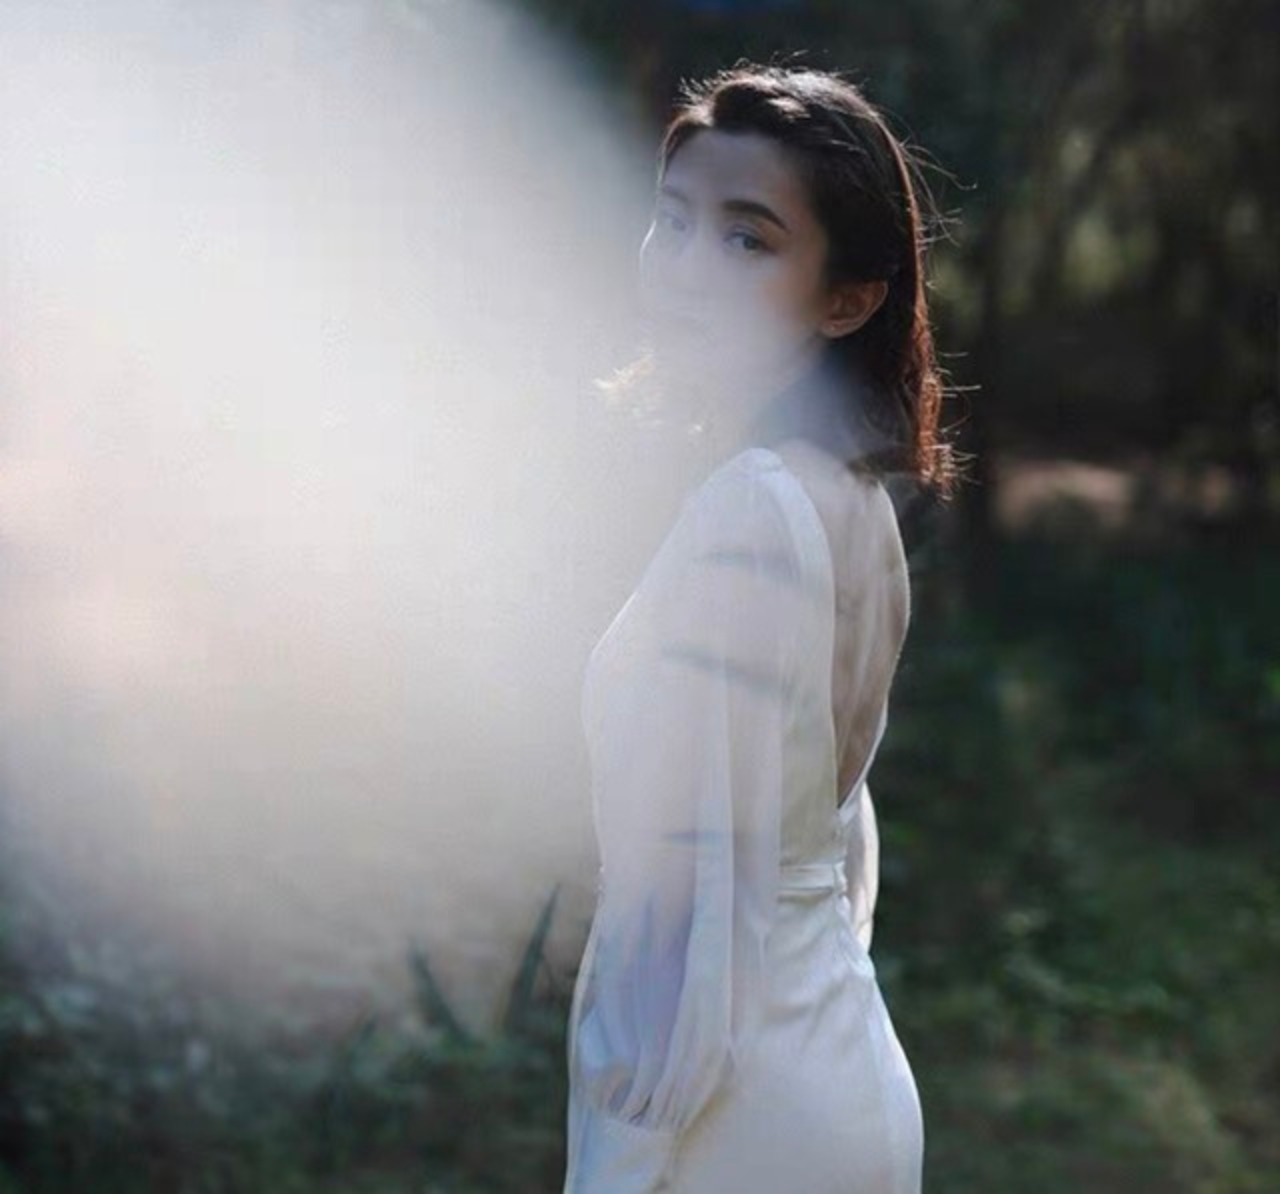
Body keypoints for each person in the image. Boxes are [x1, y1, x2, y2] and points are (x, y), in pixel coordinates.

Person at [563, 62, 962, 1193]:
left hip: (735, 1108)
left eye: (747, 239)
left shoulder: (754, 507)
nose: (687, 265)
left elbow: (700, 883)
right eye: (674, 219)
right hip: (825, 1052)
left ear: (847, 298)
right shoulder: (851, 495)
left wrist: (632, 1134)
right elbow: (829, 831)